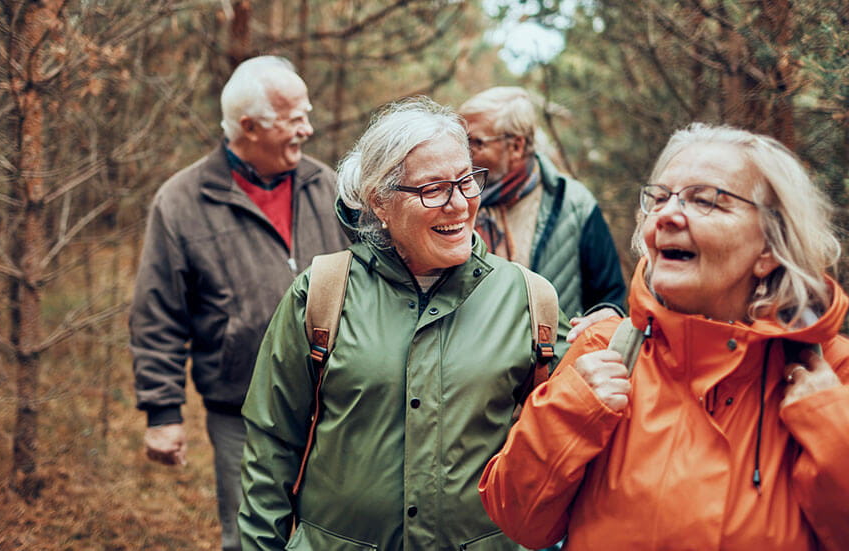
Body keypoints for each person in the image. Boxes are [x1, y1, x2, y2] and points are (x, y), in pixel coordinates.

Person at [479, 123, 849, 550]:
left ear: (768, 248)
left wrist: (832, 427)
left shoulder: (840, 376)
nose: (666, 215)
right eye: (660, 198)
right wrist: (568, 412)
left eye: (706, 201)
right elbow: (518, 519)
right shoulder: (603, 353)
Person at [237, 97, 561, 550]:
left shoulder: (530, 301)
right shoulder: (323, 294)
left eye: (467, 181)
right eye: (433, 189)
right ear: (380, 203)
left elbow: (565, 454)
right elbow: (271, 452)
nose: (459, 204)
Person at [129, 56, 348, 551]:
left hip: (338, 401)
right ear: (249, 127)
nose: (307, 130)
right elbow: (158, 314)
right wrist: (163, 412)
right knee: (253, 537)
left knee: (337, 533)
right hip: (241, 409)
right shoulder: (181, 201)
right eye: (295, 120)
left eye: (306, 114)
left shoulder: (327, 186)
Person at [459, 87, 626, 324]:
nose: (465, 153)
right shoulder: (454, 200)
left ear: (516, 146)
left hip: (552, 358)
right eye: (461, 140)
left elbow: (609, 300)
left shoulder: (574, 204)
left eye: (476, 142)